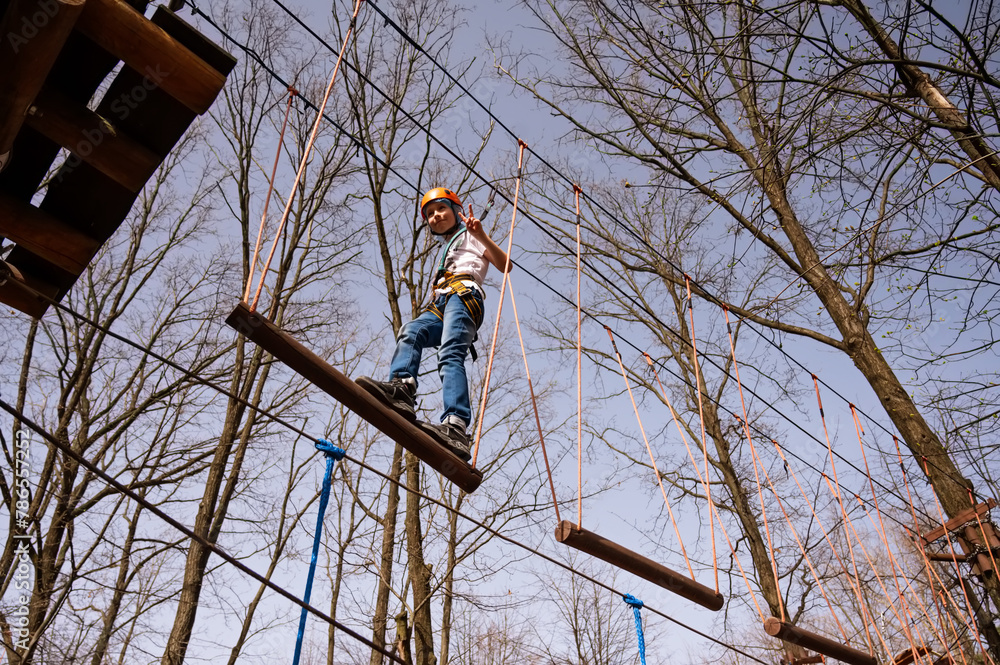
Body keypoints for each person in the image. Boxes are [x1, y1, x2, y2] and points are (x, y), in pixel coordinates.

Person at [357, 187, 512, 461]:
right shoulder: (448, 245)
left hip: (463, 296)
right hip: (441, 301)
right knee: (411, 331)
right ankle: (402, 388)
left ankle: (456, 425)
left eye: (440, 209)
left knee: (450, 353)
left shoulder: (472, 236)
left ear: (456, 211)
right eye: (429, 214)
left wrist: (480, 234)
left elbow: (505, 265)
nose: (435, 216)